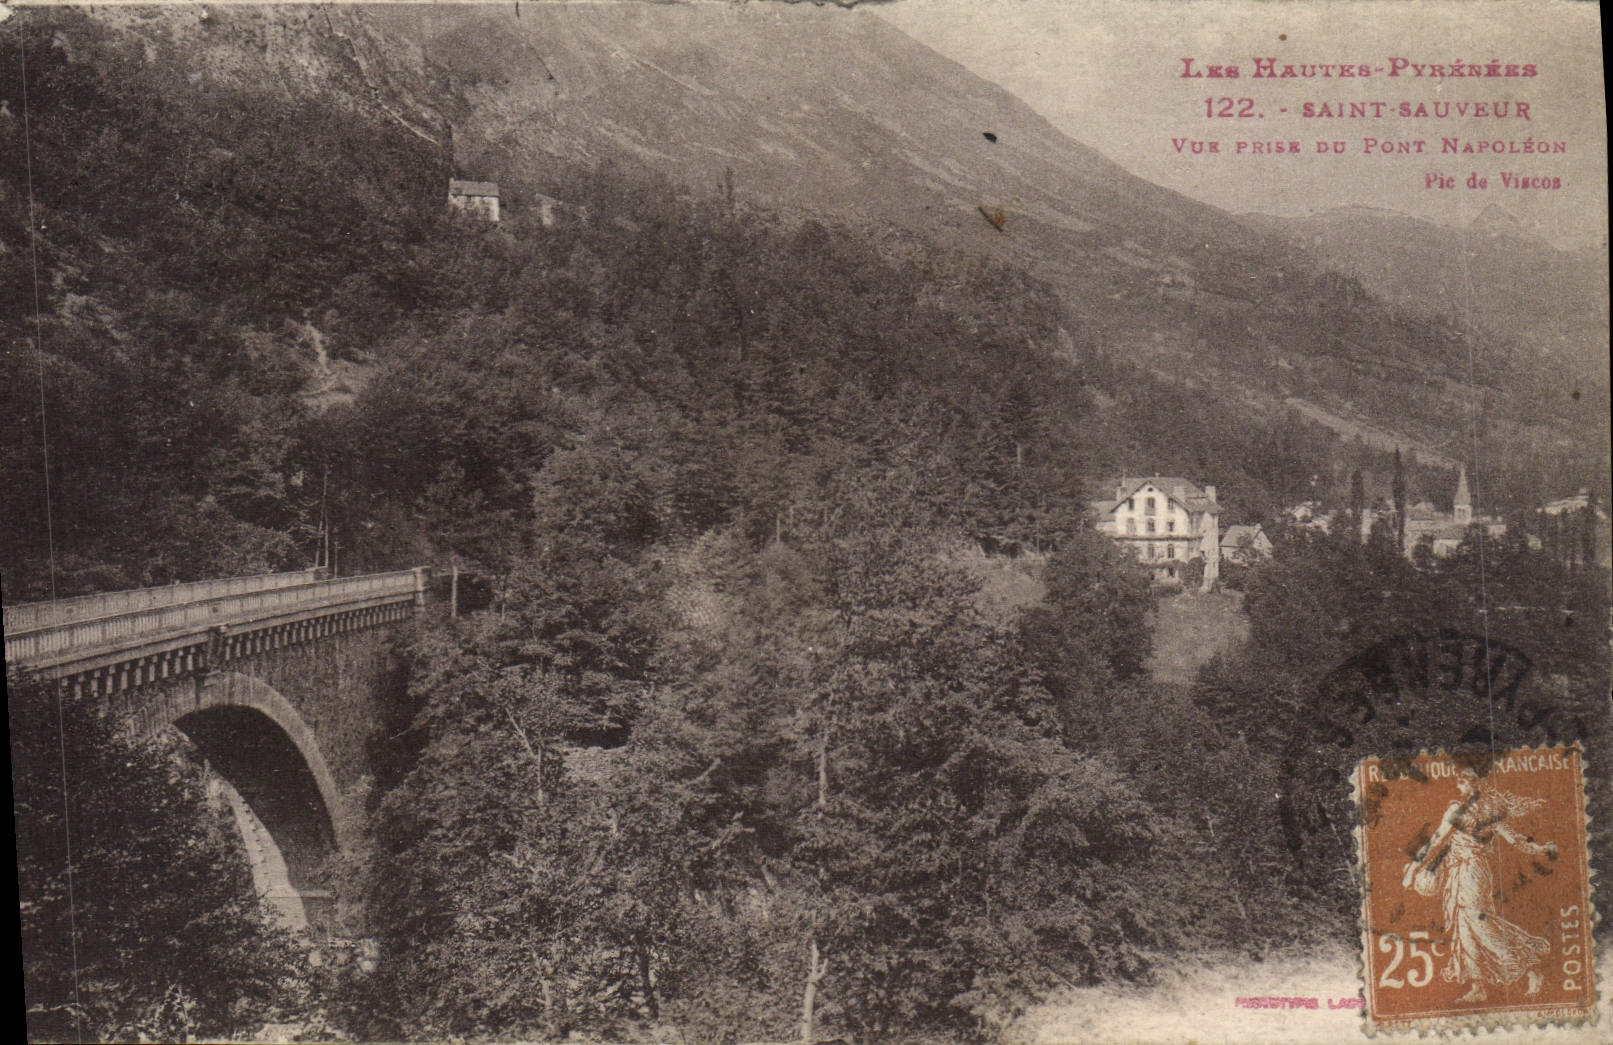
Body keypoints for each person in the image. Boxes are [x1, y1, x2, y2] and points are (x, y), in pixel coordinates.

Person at [1400, 768, 1556, 1003]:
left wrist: (1413, 869)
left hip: (1471, 871)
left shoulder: (1464, 810)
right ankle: (1478, 986)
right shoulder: (1488, 810)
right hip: (1462, 871)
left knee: (1478, 921)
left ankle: (1522, 963)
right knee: (1464, 926)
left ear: (1472, 786)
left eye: (1461, 784)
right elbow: (1514, 839)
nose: (1458, 788)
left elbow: (1436, 840)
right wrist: (1538, 848)